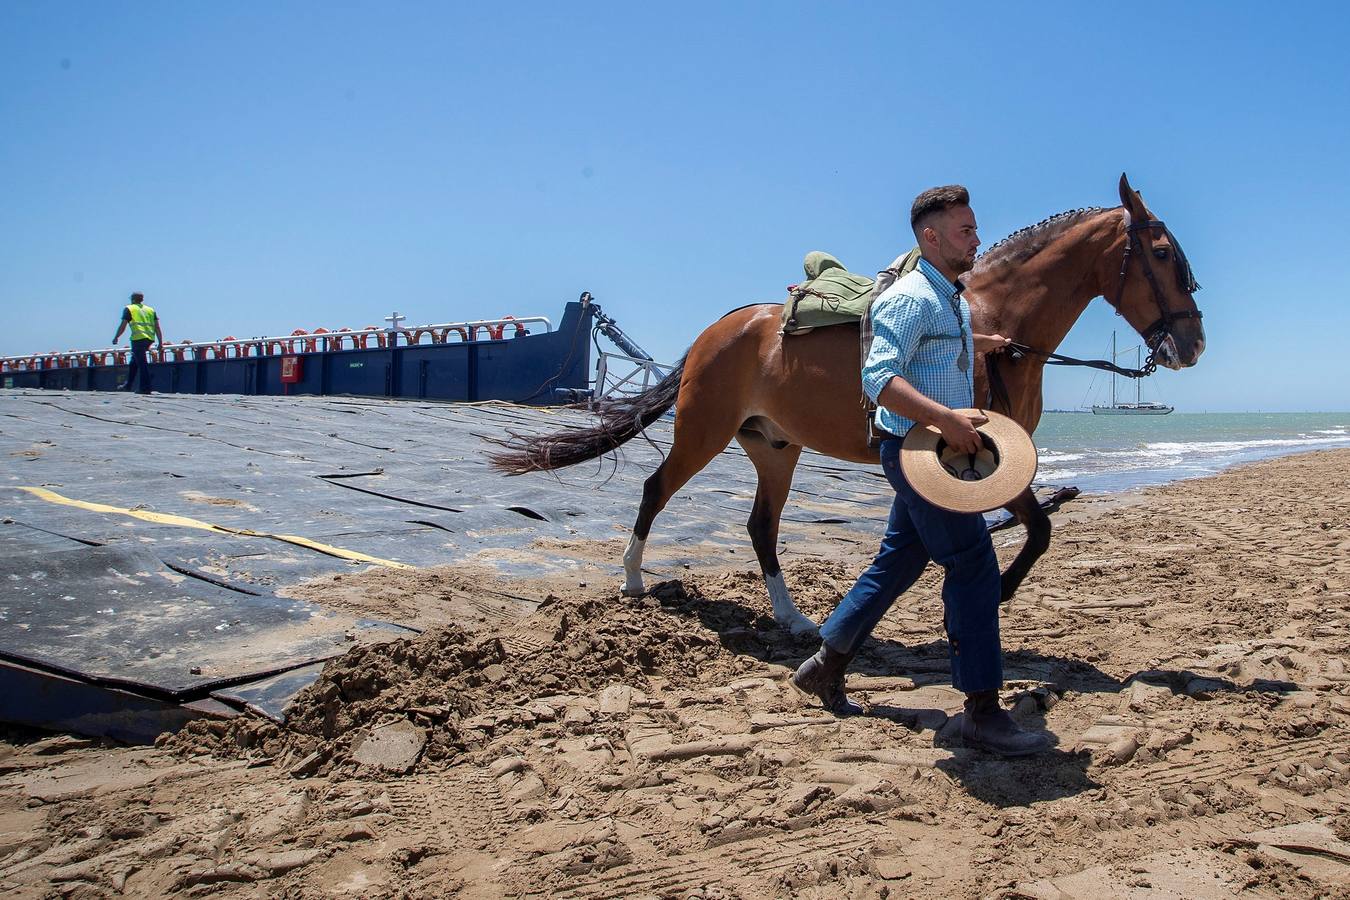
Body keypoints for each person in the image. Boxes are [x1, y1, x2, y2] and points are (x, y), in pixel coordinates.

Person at [792, 185, 1053, 757]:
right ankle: (982, 710)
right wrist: (947, 421)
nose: (977, 239)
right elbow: (878, 378)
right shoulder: (911, 297)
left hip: (930, 450)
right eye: (965, 230)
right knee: (974, 565)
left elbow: (931, 351)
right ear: (930, 237)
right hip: (918, 451)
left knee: (900, 559)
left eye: (976, 228)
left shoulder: (950, 299)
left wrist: (978, 341)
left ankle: (825, 663)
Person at [112, 292, 164, 394]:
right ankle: (128, 385)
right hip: (149, 338)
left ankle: (145, 388)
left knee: (142, 363)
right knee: (134, 362)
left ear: (132, 299)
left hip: (138, 339)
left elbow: (123, 325)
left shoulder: (130, 309)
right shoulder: (150, 310)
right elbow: (157, 327)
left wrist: (116, 337)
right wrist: (160, 342)